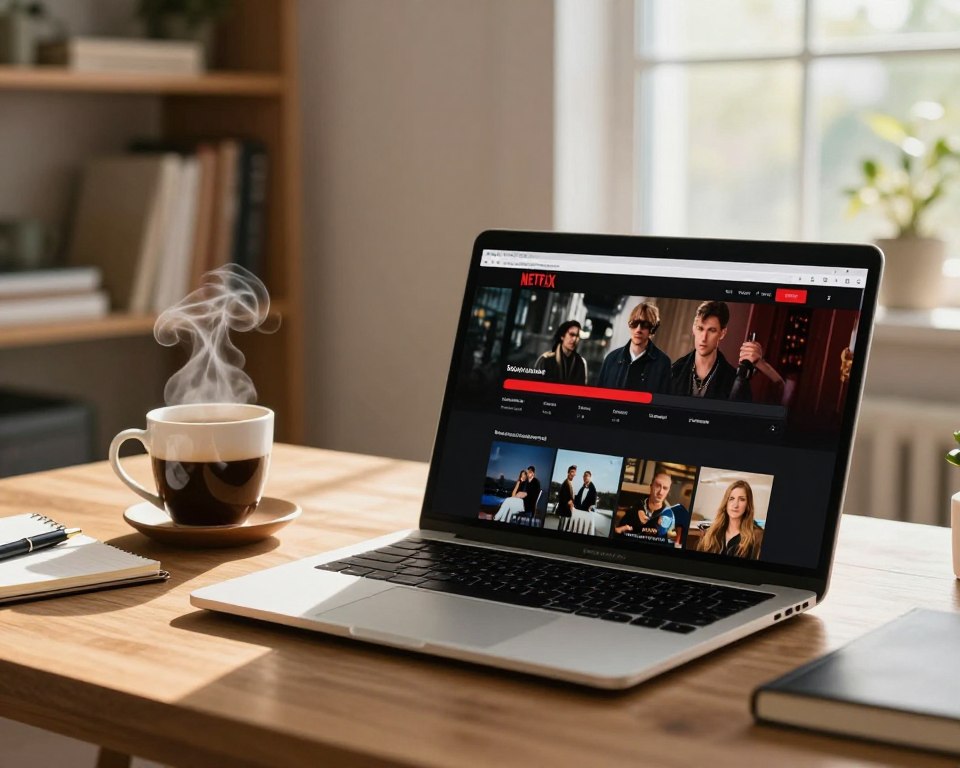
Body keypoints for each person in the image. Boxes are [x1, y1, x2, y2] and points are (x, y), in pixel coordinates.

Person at [669, 301, 766, 401]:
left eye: (711, 330)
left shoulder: (733, 381)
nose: (703, 338)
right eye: (700, 328)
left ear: (722, 333)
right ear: (694, 329)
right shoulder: (674, 372)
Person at [597, 302, 671, 392]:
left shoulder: (662, 364)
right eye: (634, 323)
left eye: (644, 325)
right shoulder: (611, 359)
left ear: (652, 329)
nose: (638, 329)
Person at [696, 480, 764, 559]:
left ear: (748, 505)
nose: (735, 505)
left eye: (742, 499)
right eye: (731, 498)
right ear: (726, 503)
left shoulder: (757, 537)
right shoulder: (710, 533)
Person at [614, 471, 672, 536]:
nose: (660, 492)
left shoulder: (669, 517)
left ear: (668, 491)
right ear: (651, 486)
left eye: (665, 488)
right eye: (658, 486)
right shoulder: (633, 509)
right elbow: (618, 533)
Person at [533, 320, 588, 385]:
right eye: (572, 334)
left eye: (577, 336)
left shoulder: (581, 363)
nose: (574, 339)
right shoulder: (546, 359)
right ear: (562, 336)